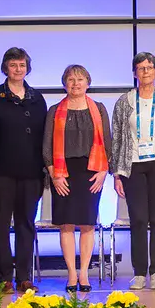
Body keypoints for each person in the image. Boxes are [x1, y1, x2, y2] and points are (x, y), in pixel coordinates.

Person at [0, 47, 48, 294]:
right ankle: (4, 277)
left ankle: (24, 277)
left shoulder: (37, 99)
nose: (18, 69)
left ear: (28, 67)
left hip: (31, 174)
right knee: (0, 224)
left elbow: (44, 139)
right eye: (13, 65)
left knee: (27, 224)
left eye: (22, 65)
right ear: (5, 67)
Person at [111, 53, 155, 290]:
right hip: (133, 166)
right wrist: (117, 174)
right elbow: (118, 138)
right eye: (141, 68)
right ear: (134, 73)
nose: (145, 72)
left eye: (150, 67)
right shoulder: (124, 102)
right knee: (138, 220)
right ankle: (140, 272)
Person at [45, 65, 109, 294]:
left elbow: (108, 143)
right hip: (63, 172)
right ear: (64, 84)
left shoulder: (99, 109)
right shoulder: (54, 111)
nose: (75, 83)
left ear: (88, 83)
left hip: (92, 172)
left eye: (80, 79)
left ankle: (84, 272)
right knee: (66, 224)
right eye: (71, 80)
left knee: (87, 223)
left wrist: (103, 172)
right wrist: (55, 176)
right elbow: (46, 147)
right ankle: (72, 272)